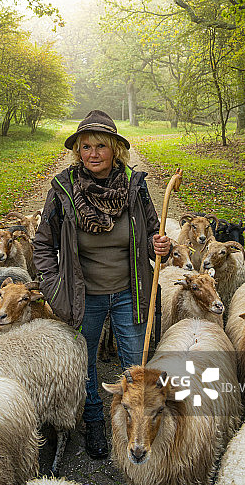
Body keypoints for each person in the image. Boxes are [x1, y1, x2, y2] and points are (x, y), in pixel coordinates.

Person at [33, 110, 171, 459]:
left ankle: (135, 424)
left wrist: (162, 247)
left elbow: (156, 232)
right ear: (77, 151)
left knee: (135, 366)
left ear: (115, 150)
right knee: (86, 364)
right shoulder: (63, 191)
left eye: (100, 146)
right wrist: (54, 289)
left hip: (130, 293)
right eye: (85, 147)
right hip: (83, 297)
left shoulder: (135, 188)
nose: (93, 153)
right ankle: (94, 419)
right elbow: (42, 245)